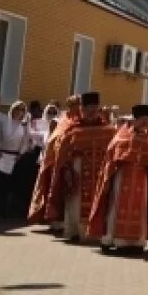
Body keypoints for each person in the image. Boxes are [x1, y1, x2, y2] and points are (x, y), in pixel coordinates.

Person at [88, 105, 148, 254]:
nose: (145, 122)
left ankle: (136, 242)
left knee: (139, 209)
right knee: (116, 207)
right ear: (135, 120)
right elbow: (112, 156)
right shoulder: (122, 135)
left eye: (147, 120)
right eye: (142, 119)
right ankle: (113, 240)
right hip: (122, 177)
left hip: (142, 179)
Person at [44, 92, 116, 242]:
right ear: (82, 109)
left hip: (99, 172)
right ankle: (75, 231)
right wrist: (67, 165)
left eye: (94, 107)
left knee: (98, 200)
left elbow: (113, 150)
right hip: (78, 170)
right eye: (88, 107)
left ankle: (95, 231)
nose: (91, 110)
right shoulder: (72, 129)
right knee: (75, 202)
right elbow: (61, 150)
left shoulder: (108, 130)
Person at [27, 96, 78, 230]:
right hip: (56, 162)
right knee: (57, 190)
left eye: (79, 105)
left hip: (74, 161)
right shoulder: (61, 122)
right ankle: (56, 221)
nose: (77, 108)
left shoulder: (79, 121)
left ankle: (70, 222)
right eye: (74, 105)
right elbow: (52, 141)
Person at [0, 101, 34, 218]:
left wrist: (20, 154)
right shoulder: (4, 121)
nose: (19, 112)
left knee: (13, 183)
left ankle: (9, 208)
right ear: (12, 109)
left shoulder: (25, 125)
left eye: (22, 110)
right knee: (1, 182)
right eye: (17, 109)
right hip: (3, 155)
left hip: (16, 157)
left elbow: (25, 141)